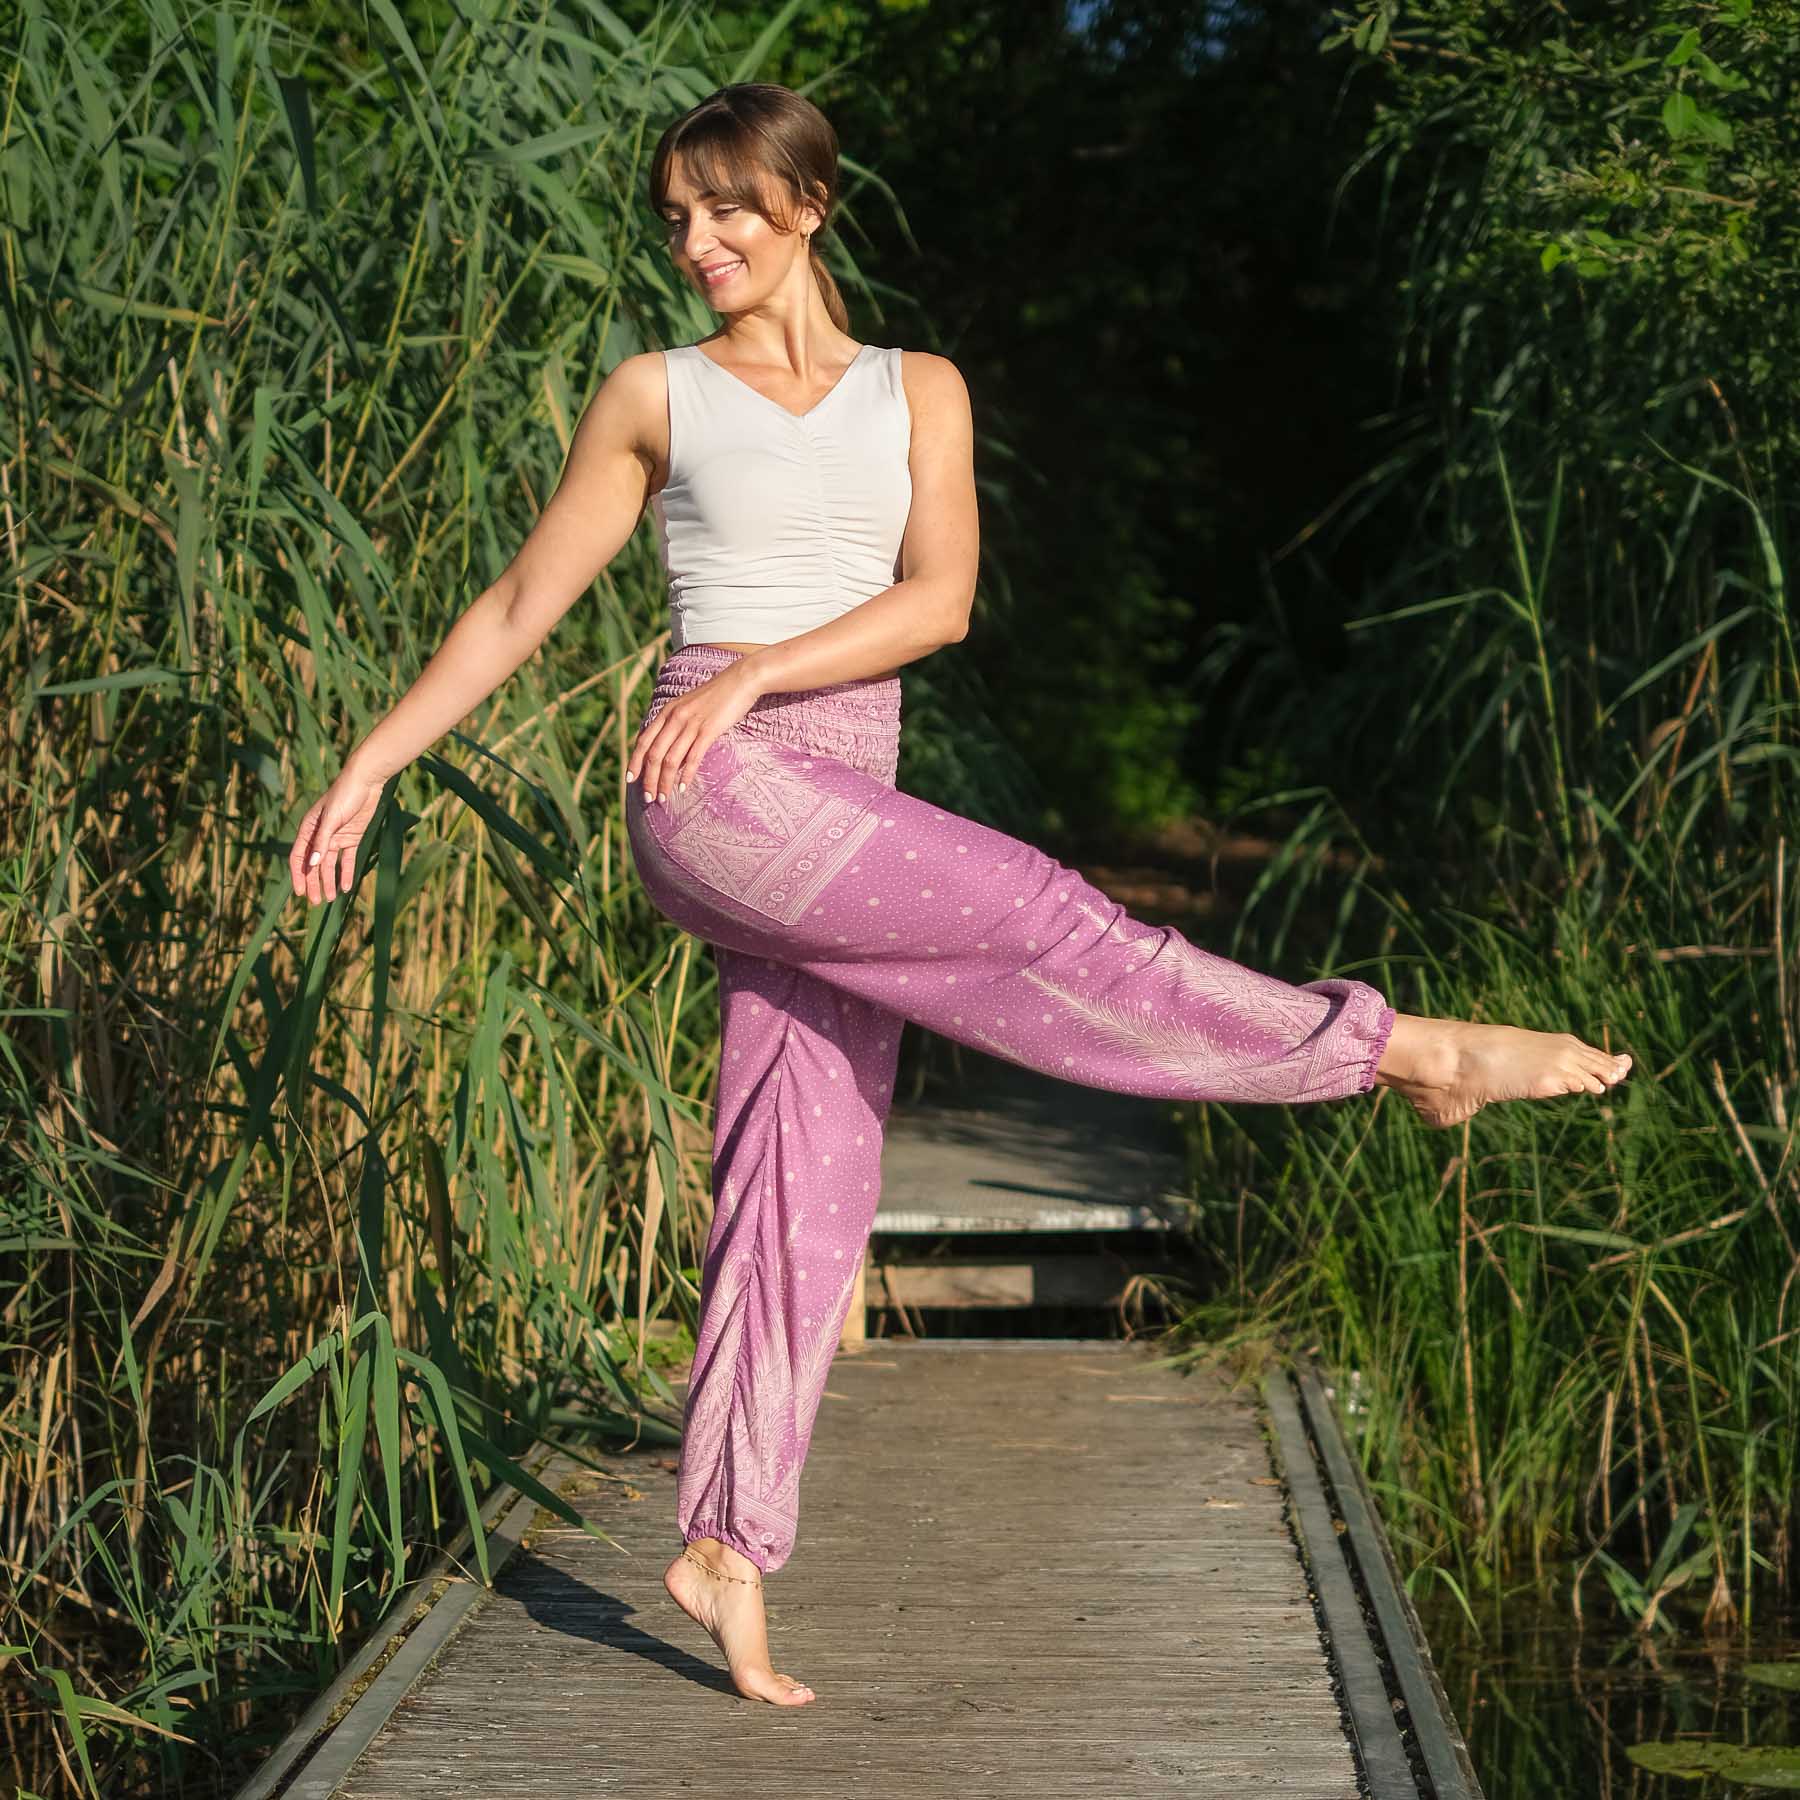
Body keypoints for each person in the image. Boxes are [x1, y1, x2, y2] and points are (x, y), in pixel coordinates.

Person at [288, 81, 1631, 1710]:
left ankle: (724, 1542)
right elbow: (515, 603)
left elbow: (942, 602)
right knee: (1066, 925)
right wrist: (374, 762)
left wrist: (774, 665)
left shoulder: (920, 391)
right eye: (678, 216)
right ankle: (1395, 1050)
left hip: (837, 782)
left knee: (805, 1163)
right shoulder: (654, 397)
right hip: (712, 789)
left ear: (807, 206)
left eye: (726, 208)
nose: (697, 242)